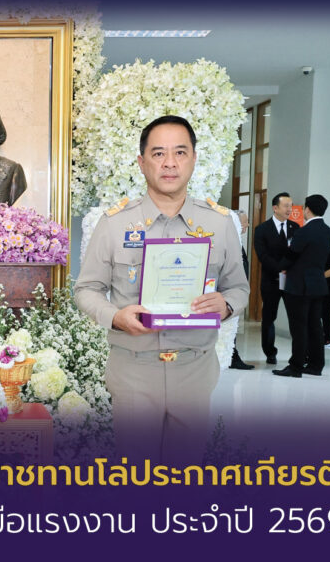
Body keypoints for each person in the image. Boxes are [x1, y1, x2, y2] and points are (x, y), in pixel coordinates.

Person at [74, 115, 249, 464]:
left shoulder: (219, 223)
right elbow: (86, 289)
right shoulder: (114, 224)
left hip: (194, 369)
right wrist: (115, 316)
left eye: (180, 152)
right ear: (142, 162)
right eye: (158, 154)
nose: (170, 163)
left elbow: (239, 288)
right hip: (134, 370)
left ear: (194, 159)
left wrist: (226, 305)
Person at [273, 194, 330, 378]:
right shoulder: (327, 231)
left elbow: (292, 255)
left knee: (299, 327)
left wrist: (279, 267)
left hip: (299, 286)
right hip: (318, 285)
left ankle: (296, 366)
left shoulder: (304, 231)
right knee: (315, 326)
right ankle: (316, 365)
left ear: (307, 209)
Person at [253, 192, 299, 365]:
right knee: (269, 317)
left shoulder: (295, 228)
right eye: (286, 206)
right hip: (270, 280)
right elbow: (263, 255)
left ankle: (298, 354)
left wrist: (288, 268)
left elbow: (297, 253)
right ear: (275, 208)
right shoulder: (262, 229)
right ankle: (270, 352)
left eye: (291, 206)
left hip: (291, 280)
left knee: (295, 317)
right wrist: (280, 268)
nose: (289, 209)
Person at [229, 209, 255, 370]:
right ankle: (232, 357)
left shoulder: (238, 240)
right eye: (245, 222)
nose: (248, 225)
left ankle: (232, 355)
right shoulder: (231, 241)